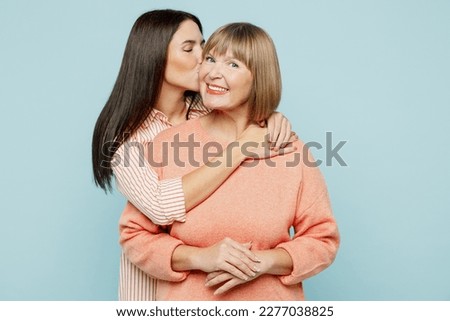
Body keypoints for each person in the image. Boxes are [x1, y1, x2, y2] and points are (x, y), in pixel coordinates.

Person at [119, 22, 340, 300]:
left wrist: (263, 262)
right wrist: (199, 257)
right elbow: (136, 237)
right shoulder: (165, 144)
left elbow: (322, 239)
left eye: (233, 65)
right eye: (210, 59)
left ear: (259, 77)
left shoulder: (289, 148)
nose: (213, 72)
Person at [92, 10, 296, 300]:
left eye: (203, 46)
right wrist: (239, 148)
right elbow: (161, 207)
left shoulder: (213, 109)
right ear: (154, 56)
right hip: (153, 295)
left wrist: (271, 116)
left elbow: (250, 111)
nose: (204, 58)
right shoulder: (127, 139)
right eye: (190, 48)